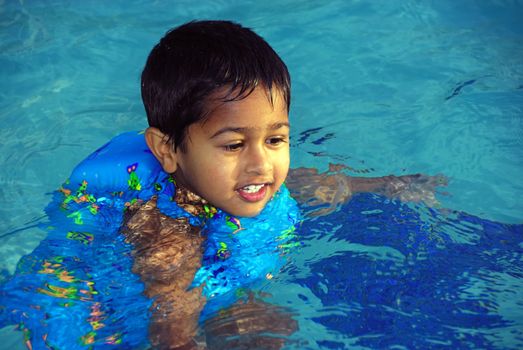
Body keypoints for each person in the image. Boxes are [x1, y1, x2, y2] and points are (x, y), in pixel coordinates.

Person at [123, 20, 446, 349]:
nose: (261, 165)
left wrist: (386, 185)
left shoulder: (251, 185)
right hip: (201, 310)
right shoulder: (169, 239)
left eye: (275, 139)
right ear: (167, 150)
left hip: (238, 287)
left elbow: (316, 186)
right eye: (234, 145)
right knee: (266, 329)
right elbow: (171, 335)